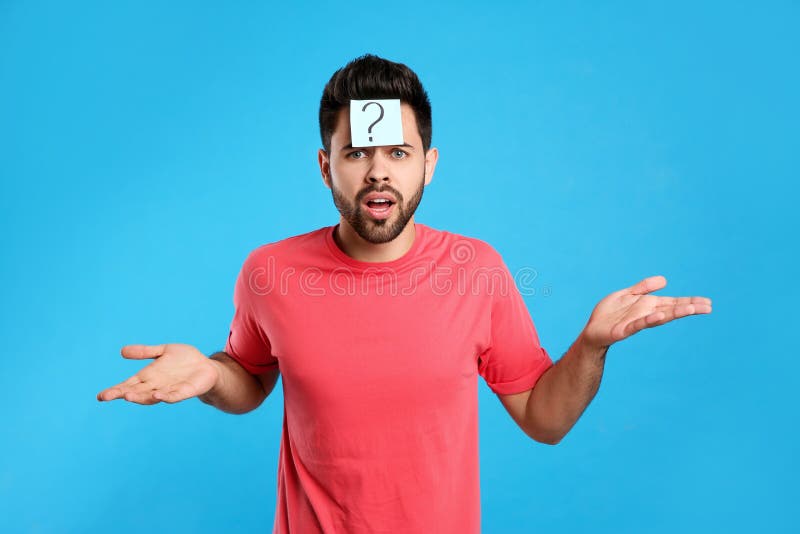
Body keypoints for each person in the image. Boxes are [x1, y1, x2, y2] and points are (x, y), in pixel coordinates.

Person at [97, 54, 712, 533]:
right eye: (357, 153)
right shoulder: (269, 272)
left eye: (398, 151)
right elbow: (250, 382)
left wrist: (591, 346)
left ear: (430, 163)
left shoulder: (478, 271)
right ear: (324, 165)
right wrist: (210, 373)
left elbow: (544, 419)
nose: (378, 172)